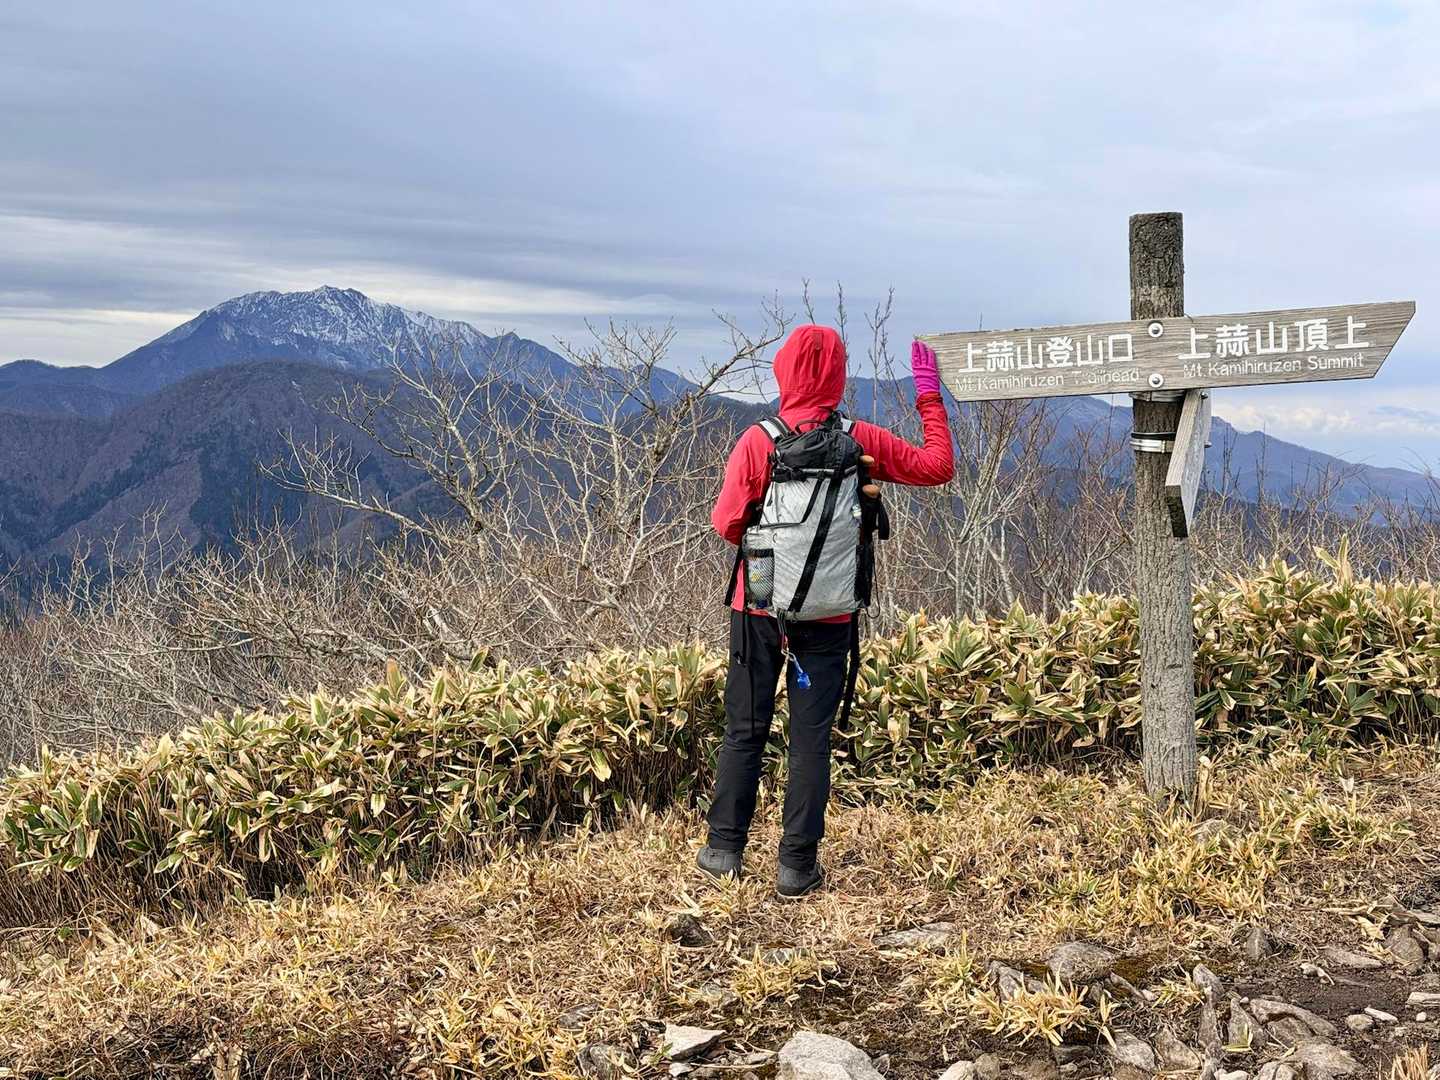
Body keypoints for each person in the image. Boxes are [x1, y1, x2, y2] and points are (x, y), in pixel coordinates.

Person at [698, 325, 955, 898]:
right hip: (831, 613)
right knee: (810, 737)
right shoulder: (860, 440)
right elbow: (938, 465)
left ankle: (723, 852)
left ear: (783, 371)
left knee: (745, 728)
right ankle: (796, 866)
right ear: (839, 375)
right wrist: (928, 393)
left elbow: (727, 524)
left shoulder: (759, 442)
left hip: (758, 605)